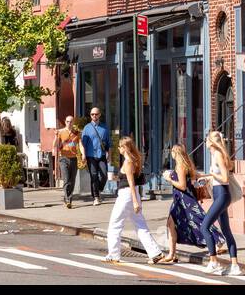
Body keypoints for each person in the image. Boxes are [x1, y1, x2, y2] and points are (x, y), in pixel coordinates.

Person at [104, 135, 163, 265]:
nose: (118, 149)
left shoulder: (128, 162)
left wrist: (135, 201)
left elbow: (131, 182)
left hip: (127, 195)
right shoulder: (134, 160)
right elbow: (130, 180)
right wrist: (117, 178)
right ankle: (155, 253)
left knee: (115, 224)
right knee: (140, 225)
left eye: (120, 146)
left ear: (125, 148)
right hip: (132, 194)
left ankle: (113, 254)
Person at [198, 131, 245, 276]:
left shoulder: (218, 155)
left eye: (206, 139)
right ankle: (234, 265)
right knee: (226, 231)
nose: (205, 141)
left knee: (204, 227)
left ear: (211, 142)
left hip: (222, 195)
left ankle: (214, 262)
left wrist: (211, 174)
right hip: (220, 194)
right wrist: (206, 178)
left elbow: (225, 178)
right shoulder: (215, 155)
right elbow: (219, 177)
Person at [159, 143, 219, 263]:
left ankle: (218, 240)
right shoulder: (185, 165)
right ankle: (172, 254)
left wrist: (169, 179)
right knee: (171, 224)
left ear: (176, 153)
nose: (171, 153)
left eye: (172, 151)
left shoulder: (180, 166)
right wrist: (212, 175)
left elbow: (182, 185)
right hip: (180, 199)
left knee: (198, 219)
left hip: (184, 200)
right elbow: (197, 175)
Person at [80, 107, 110, 206]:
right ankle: (96, 197)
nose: (94, 116)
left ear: (99, 115)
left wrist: (108, 153)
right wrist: (83, 155)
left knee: (104, 175)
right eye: (92, 114)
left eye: (96, 114)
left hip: (101, 155)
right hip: (90, 156)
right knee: (94, 176)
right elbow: (82, 143)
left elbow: (108, 143)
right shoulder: (87, 128)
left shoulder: (104, 128)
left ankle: (98, 189)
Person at [53, 116, 82, 209]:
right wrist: (56, 136)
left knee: (72, 180)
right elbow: (55, 145)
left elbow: (80, 145)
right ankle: (68, 198)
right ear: (65, 122)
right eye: (68, 121)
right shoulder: (60, 132)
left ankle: (68, 198)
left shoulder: (76, 133)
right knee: (66, 179)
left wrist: (83, 154)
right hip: (63, 158)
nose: (69, 123)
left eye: (71, 121)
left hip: (74, 158)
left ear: (73, 123)